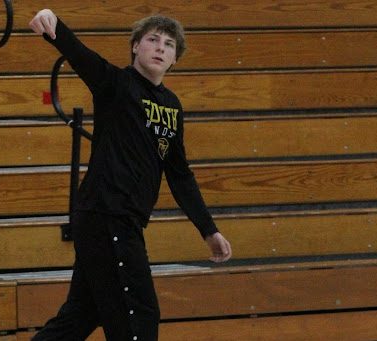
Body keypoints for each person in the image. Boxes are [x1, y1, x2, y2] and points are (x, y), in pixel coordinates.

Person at [29, 9, 232, 341]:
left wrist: (208, 229)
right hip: (107, 214)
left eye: (168, 44)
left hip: (122, 220)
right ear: (136, 46)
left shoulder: (172, 106)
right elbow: (82, 56)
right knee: (140, 316)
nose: (160, 48)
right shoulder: (117, 85)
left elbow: (179, 174)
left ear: (174, 59)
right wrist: (54, 23)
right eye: (152, 39)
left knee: (80, 316)